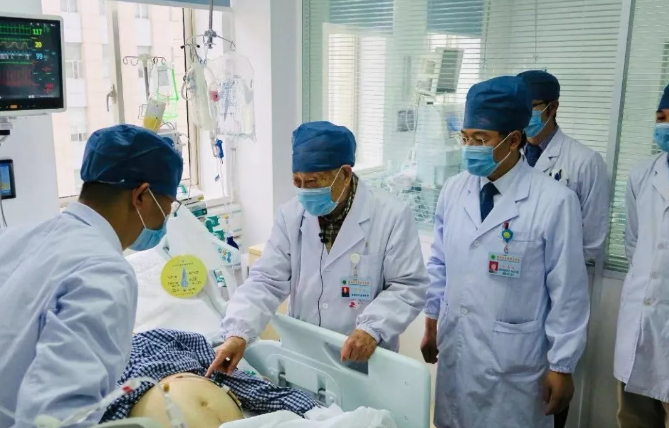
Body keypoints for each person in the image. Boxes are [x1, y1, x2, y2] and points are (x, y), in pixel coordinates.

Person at [420, 76, 590, 428]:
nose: (470, 148)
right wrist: (431, 321)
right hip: (457, 348)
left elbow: (568, 292)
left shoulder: (555, 202)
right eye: (465, 137)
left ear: (514, 140)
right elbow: (439, 263)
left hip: (514, 367)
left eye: (481, 139)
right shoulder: (453, 190)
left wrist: (562, 365)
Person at [207, 121, 429, 376]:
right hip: (303, 354)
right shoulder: (291, 216)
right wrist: (238, 332)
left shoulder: (391, 216)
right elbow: (266, 280)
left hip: (362, 362)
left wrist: (372, 328)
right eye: (297, 181)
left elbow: (408, 285)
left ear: (345, 175)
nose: (304, 191)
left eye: (313, 182)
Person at [0, 124, 183, 427]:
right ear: (141, 196)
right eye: (168, 206)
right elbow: (59, 417)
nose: (166, 218)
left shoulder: (15, 238)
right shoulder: (104, 272)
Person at [614, 83, 669, 428]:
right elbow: (634, 242)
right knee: (633, 419)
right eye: (661, 118)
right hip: (639, 326)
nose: (664, 126)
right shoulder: (643, 173)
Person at [518, 70, 610, 265]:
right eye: (518, 107)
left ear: (553, 107)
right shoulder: (507, 156)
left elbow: (592, 240)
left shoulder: (586, 161)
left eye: (530, 106)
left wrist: (556, 270)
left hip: (560, 274)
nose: (522, 114)